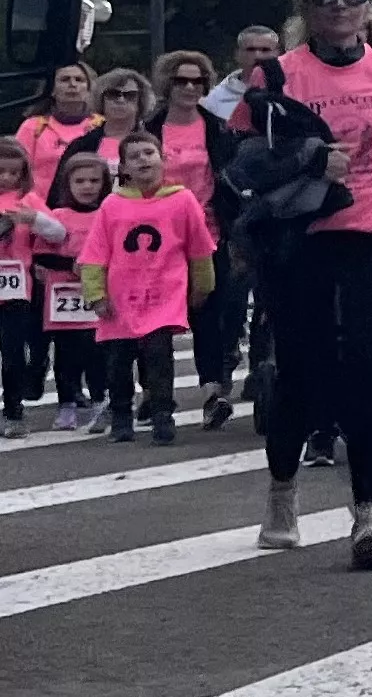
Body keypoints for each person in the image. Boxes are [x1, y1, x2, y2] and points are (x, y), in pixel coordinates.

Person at [242, 0, 372, 566]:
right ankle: (282, 490)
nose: (340, 5)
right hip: (300, 234)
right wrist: (305, 161)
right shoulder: (275, 76)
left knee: (367, 364)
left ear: (368, 4)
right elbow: (242, 163)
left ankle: (368, 510)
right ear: (307, 7)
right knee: (302, 367)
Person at [85, 129, 214, 444]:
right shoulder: (111, 206)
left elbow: (199, 248)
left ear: (162, 158)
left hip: (164, 294)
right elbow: (95, 254)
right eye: (134, 156)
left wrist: (202, 286)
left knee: (159, 356)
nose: (143, 160)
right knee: (118, 362)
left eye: (148, 153)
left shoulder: (182, 200)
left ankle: (162, 415)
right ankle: (120, 416)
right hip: (120, 298)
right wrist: (95, 294)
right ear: (124, 168)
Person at [150, 48, 246, 429]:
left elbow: (233, 179)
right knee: (156, 319)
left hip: (208, 231)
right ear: (166, 85)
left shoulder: (219, 128)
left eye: (198, 81)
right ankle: (157, 396)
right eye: (181, 81)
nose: (190, 87)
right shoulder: (150, 128)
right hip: (155, 235)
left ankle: (212, 391)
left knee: (210, 314)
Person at [40, 150, 112, 431]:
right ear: (67, 184)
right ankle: (66, 402)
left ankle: (99, 400)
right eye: (79, 181)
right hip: (63, 299)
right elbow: (41, 254)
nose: (87, 187)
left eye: (94, 181)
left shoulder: (109, 212)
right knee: (66, 355)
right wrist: (72, 263)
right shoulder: (57, 215)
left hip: (98, 295)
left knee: (96, 352)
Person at [0, 146, 67, 436]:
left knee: (13, 352)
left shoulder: (27, 201)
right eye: (1, 171)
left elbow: (59, 232)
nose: (7, 178)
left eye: (14, 172)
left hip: (17, 290)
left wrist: (33, 220)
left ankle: (13, 410)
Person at [15, 62, 96, 190]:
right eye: (65, 80)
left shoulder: (101, 126)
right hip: (37, 206)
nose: (72, 84)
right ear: (51, 89)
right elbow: (15, 171)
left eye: (79, 80)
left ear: (89, 89)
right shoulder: (32, 126)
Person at [58, 66, 152, 174]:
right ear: (101, 100)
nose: (121, 100)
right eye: (113, 94)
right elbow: (62, 186)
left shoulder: (156, 139)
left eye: (130, 95)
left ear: (140, 101)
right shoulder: (82, 146)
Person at [199, 24, 283, 123]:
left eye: (265, 50)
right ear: (237, 54)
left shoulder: (292, 89)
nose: (257, 55)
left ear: (278, 53)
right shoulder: (214, 100)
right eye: (250, 50)